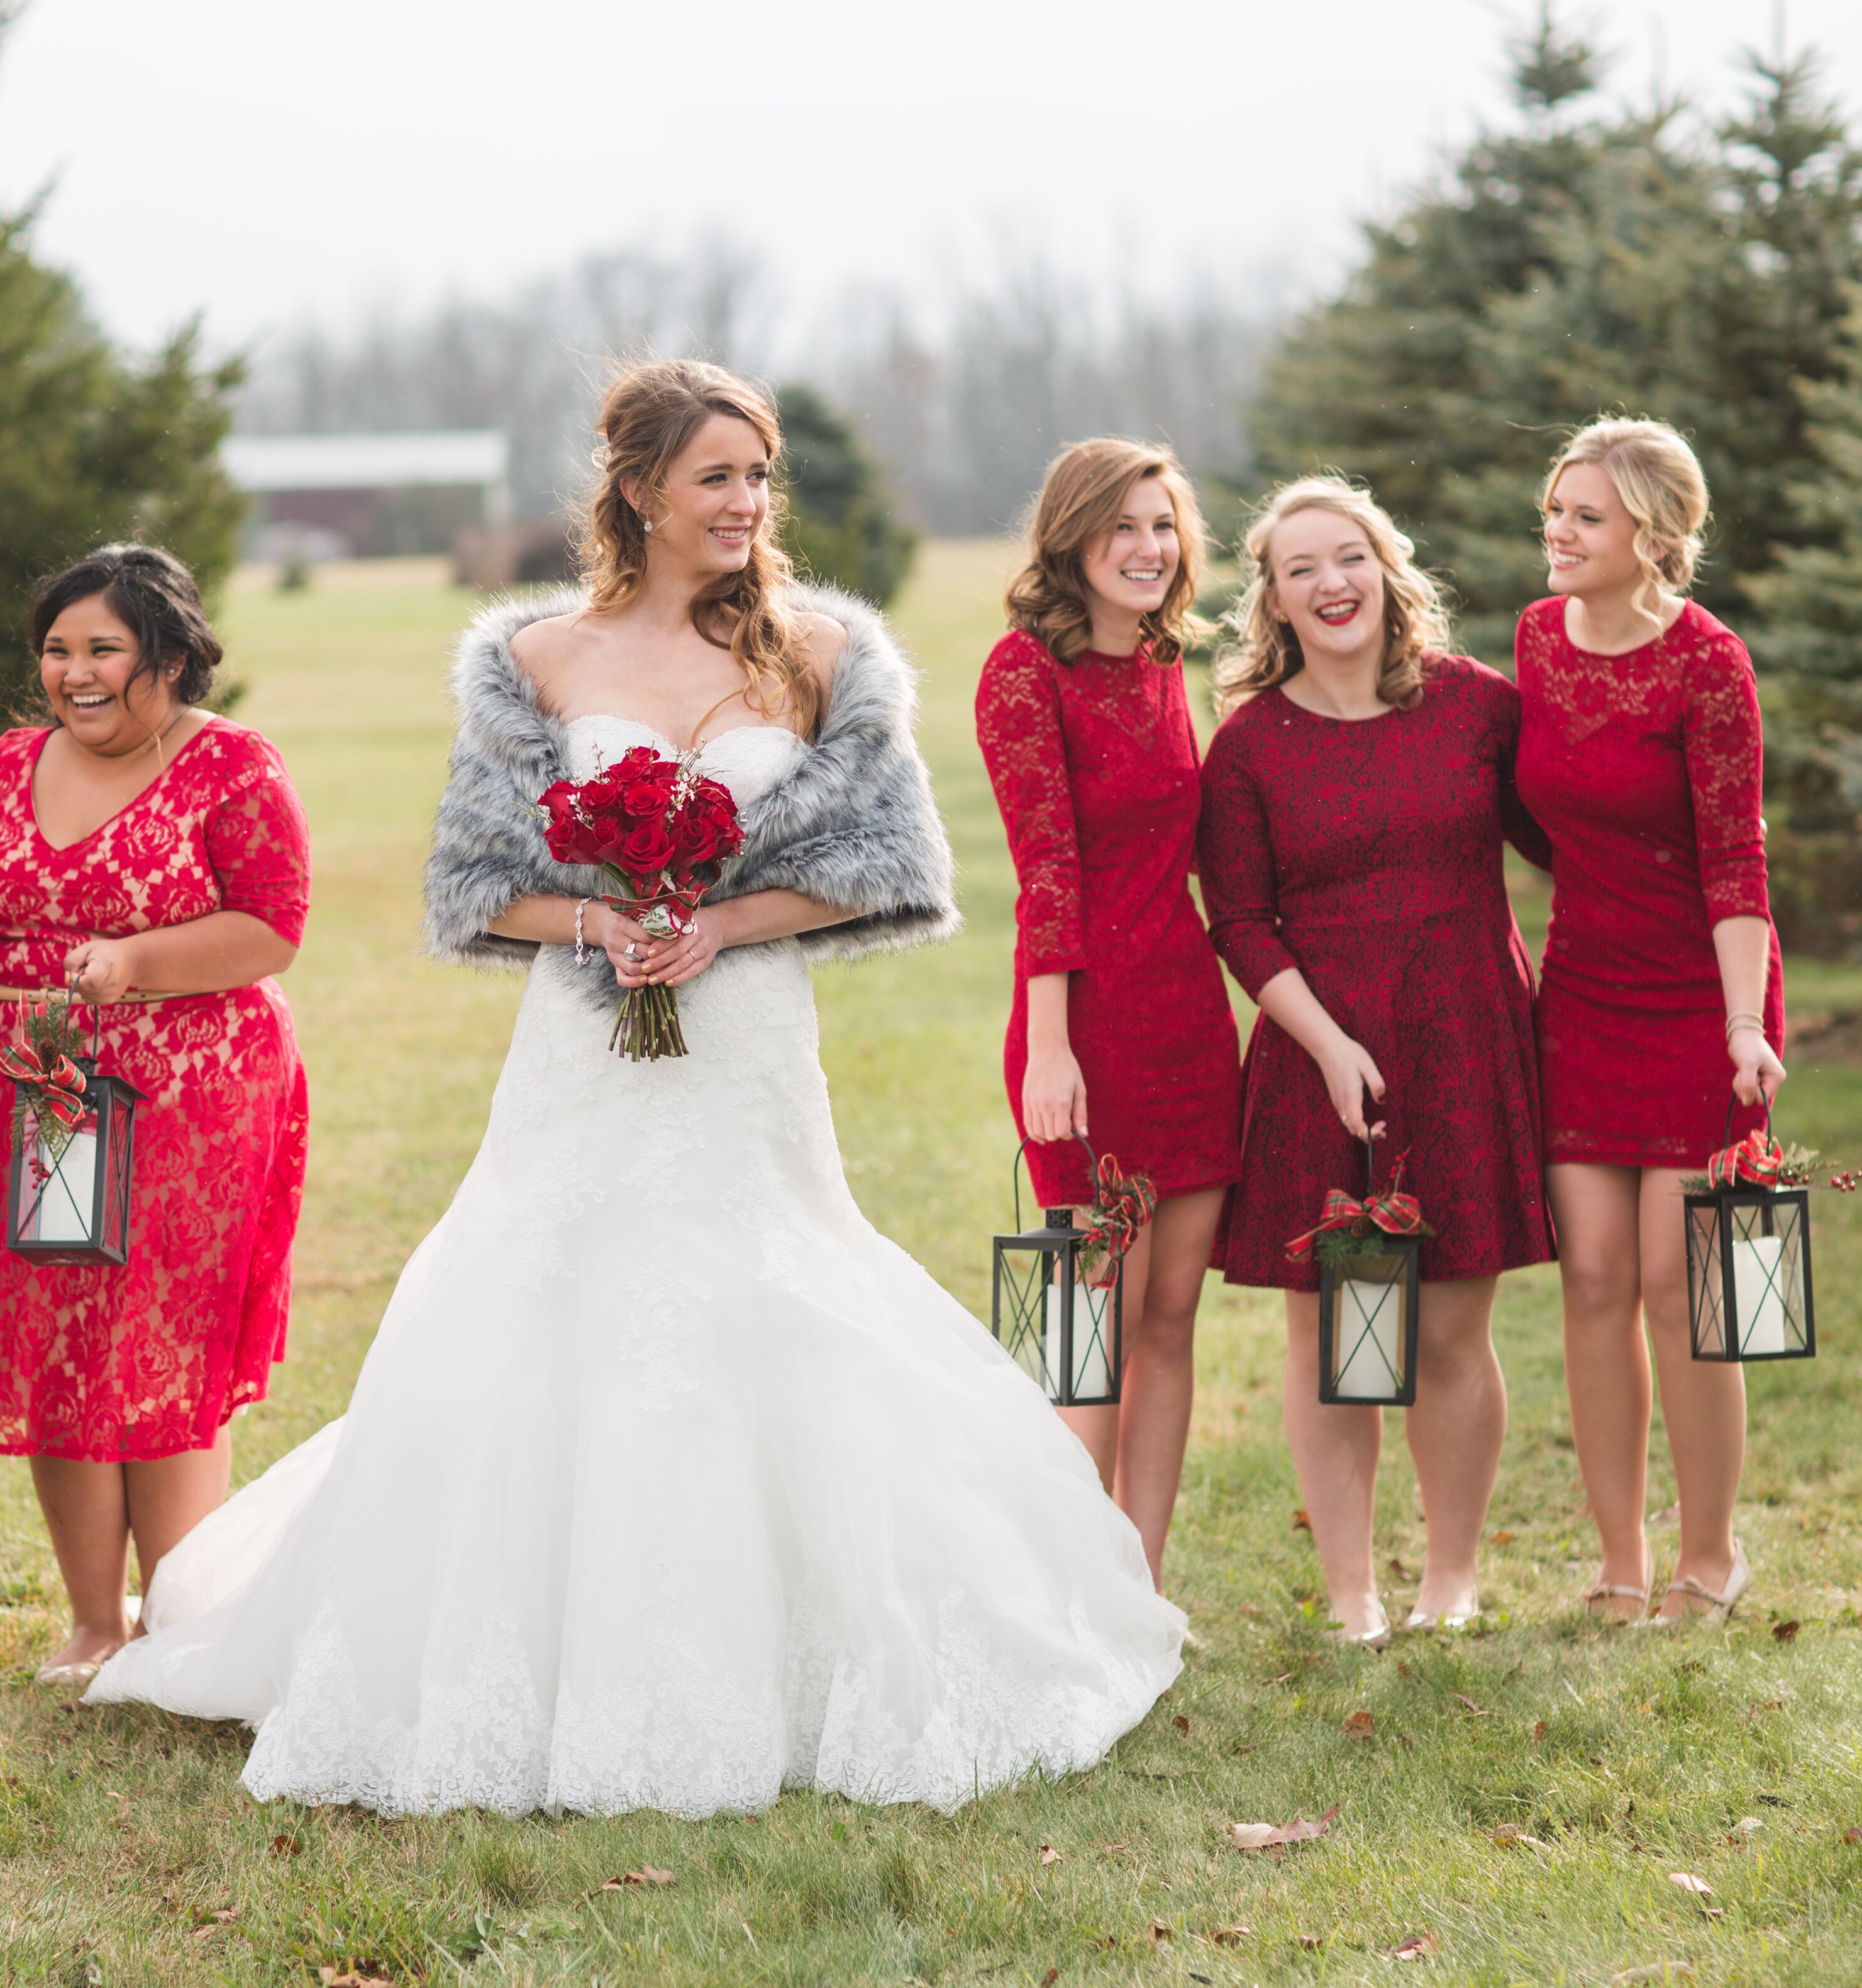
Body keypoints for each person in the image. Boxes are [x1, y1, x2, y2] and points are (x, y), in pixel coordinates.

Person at [86, 360, 1185, 1818]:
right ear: (639, 494)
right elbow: (470, 889)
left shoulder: (821, 654)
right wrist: (602, 921)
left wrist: (723, 922)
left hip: (743, 1048)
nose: (744, 506)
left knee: (766, 1293)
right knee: (541, 1293)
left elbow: (889, 872)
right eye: (716, 479)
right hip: (578, 1054)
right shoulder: (538, 660)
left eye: (758, 479)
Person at [0, 545, 311, 1687]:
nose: (76, 673)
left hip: (195, 1095)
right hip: (39, 1093)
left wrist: (137, 959)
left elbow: (276, 926)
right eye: (58, 649)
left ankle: (181, 1622)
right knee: (59, 1346)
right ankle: (94, 1620)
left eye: (105, 650)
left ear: (171, 658)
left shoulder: (232, 768)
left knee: (162, 1351)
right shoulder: (0, 771)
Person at [1196, 475, 1553, 1646]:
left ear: (1388, 568)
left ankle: (1450, 1576)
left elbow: (1573, 838)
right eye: (1301, 568)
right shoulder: (1250, 748)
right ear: (1276, 601)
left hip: (1468, 1036)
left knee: (1450, 1327)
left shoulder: (1477, 709)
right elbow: (1240, 922)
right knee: (1332, 1329)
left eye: (1347, 556)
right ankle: (1351, 1591)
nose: (1330, 582)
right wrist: (1330, 1044)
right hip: (1323, 1057)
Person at [1516, 419, 1784, 1627]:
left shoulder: (1709, 664)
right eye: (1555, 511)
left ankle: (1711, 1555)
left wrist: (1743, 1025)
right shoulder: (1534, 639)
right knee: (1596, 1279)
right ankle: (1622, 1560)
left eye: (1585, 518)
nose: (1558, 534)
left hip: (1702, 999)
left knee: (1685, 1285)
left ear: (1652, 536)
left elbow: (1737, 861)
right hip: (1581, 989)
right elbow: (1535, 817)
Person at [974, 438, 1241, 1584]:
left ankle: (1141, 1580)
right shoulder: (1023, 672)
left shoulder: (1165, 660)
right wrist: (1050, 1042)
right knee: (1095, 1324)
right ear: (1073, 539)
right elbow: (1048, 868)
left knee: (1170, 1318)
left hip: (1188, 1016)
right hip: (1084, 1033)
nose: (1147, 549)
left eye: (1164, 526)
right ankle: (1072, 1590)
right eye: (1122, 527)